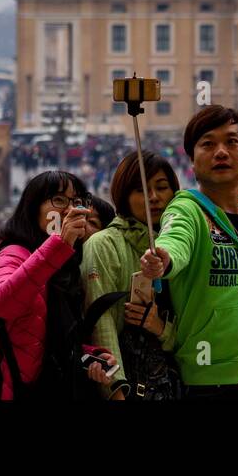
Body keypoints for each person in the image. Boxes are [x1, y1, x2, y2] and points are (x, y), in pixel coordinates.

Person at [140, 105, 238, 400]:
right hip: (206, 384)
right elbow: (176, 240)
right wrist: (165, 257)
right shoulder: (186, 209)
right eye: (208, 144)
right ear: (192, 160)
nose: (221, 152)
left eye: (232, 141)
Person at [0, 171, 117, 399]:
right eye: (59, 200)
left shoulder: (63, 265)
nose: (69, 210)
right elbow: (3, 302)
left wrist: (88, 355)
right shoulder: (12, 252)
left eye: (76, 201)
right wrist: (60, 244)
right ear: (34, 207)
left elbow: (45, 335)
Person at [82, 151, 181, 399]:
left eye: (162, 187)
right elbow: (101, 323)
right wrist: (116, 390)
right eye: (140, 190)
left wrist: (162, 328)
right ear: (124, 195)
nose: (154, 198)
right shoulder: (104, 245)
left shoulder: (181, 247)